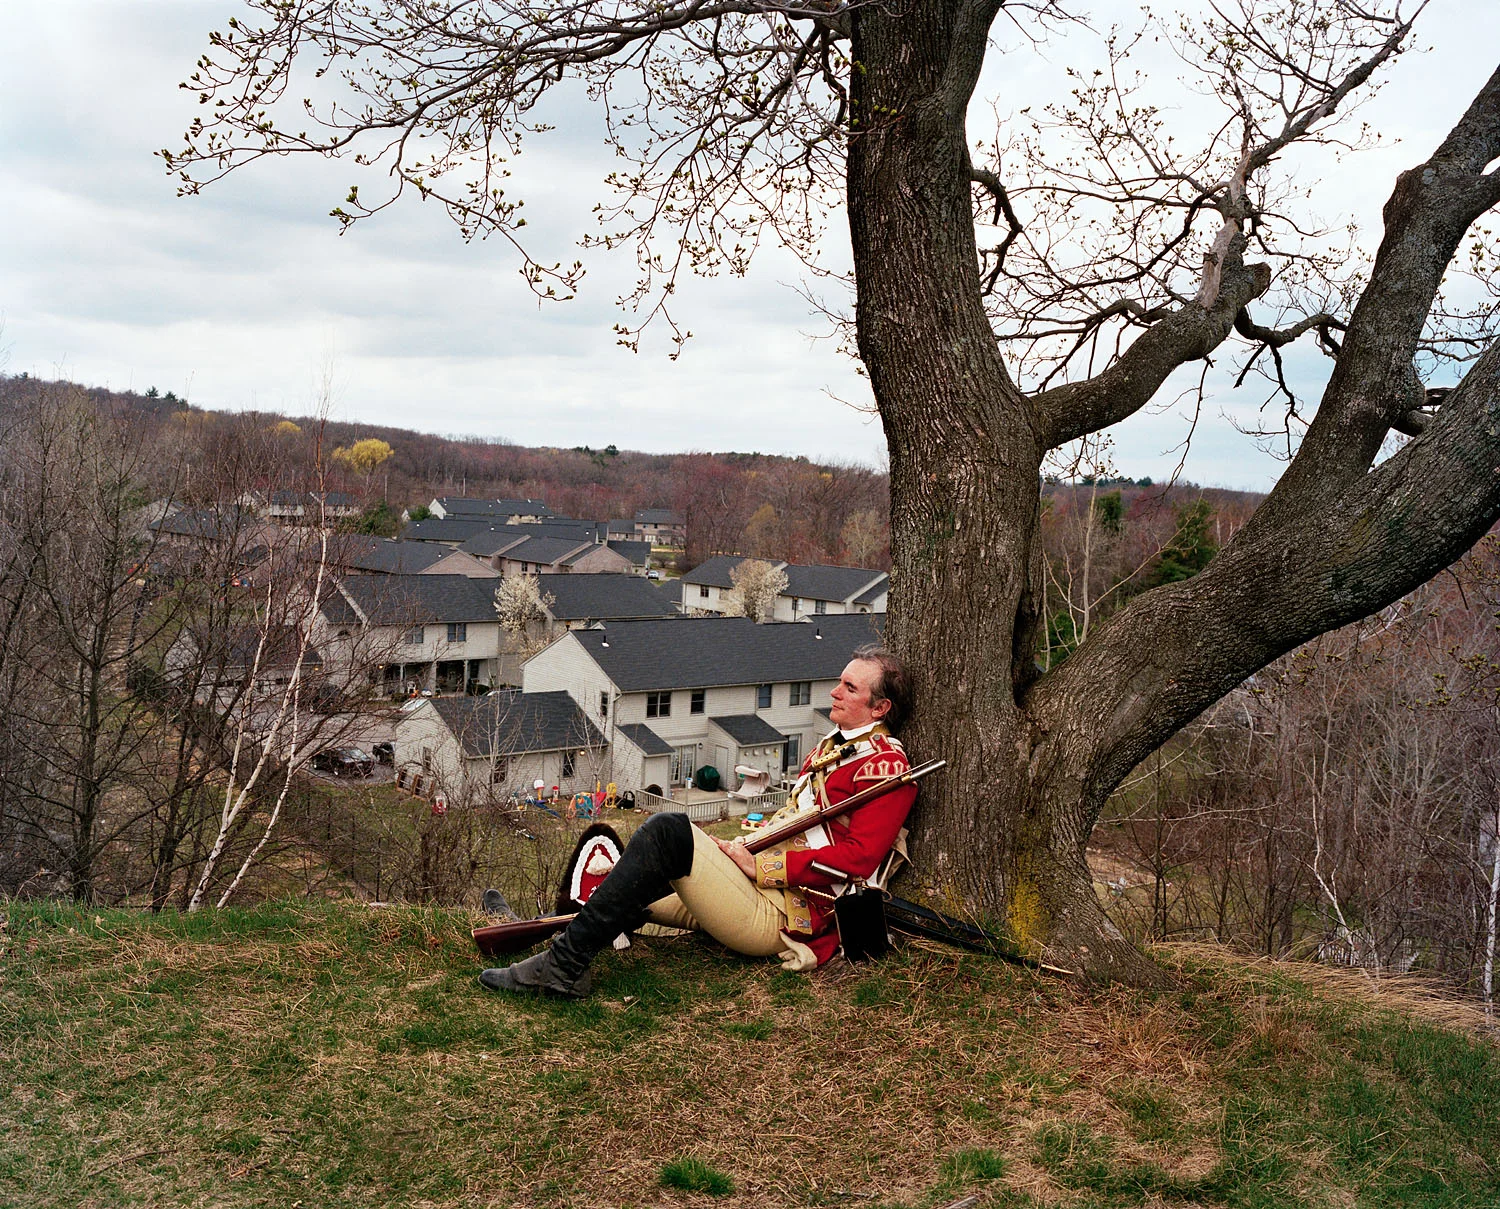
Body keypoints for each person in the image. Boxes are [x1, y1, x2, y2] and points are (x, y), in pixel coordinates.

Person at [478, 644, 917, 998]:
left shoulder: (884, 767)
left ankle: (562, 968)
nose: (834, 693)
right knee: (624, 892)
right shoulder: (834, 744)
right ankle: (533, 938)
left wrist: (763, 866)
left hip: (786, 913)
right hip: (756, 888)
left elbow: (859, 859)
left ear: (879, 709)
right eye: (839, 682)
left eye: (849, 688)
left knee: (669, 831)